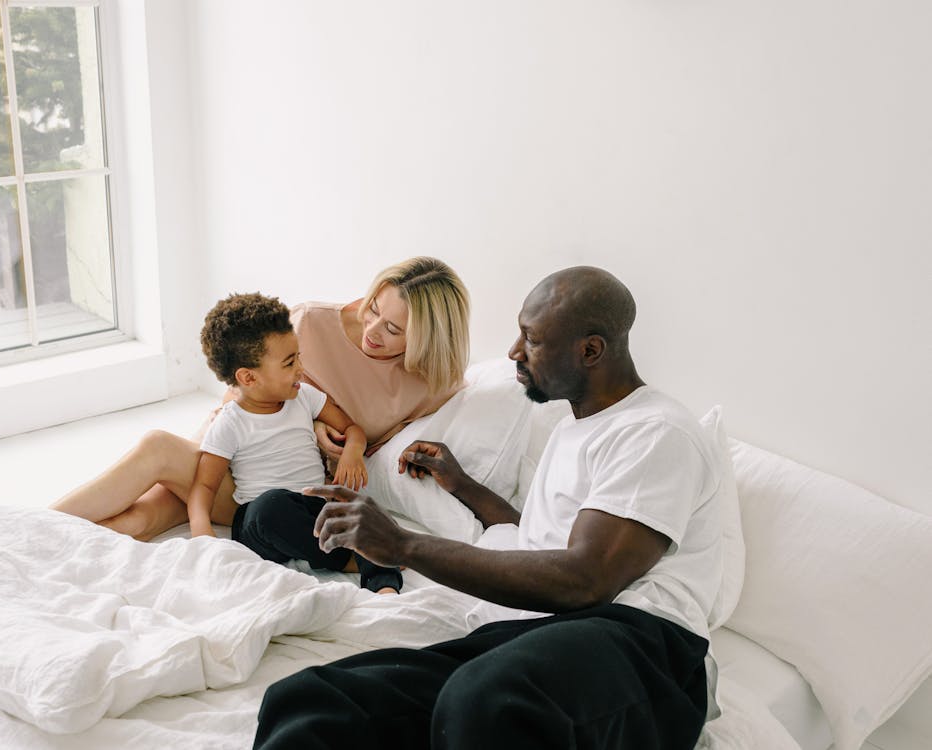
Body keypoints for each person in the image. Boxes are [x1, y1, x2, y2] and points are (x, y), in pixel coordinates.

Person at [253, 266, 726, 750]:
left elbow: (587, 579)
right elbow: (536, 544)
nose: (513, 353)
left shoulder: (655, 431)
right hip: (539, 631)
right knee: (312, 701)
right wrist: (463, 485)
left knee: (482, 702)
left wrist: (402, 546)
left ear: (590, 350)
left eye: (532, 339)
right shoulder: (572, 429)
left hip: (644, 646)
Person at [50, 257, 470, 544]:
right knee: (141, 519)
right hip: (234, 450)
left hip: (282, 489)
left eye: (393, 330)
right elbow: (241, 393)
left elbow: (377, 447)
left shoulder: (431, 386)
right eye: (374, 307)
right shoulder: (310, 321)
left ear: (428, 338)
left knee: (157, 449)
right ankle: (36, 535)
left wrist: (338, 440)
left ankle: (32, 527)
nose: (372, 329)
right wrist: (311, 423)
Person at [190, 292, 401, 593]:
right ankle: (347, 560)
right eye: (289, 363)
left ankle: (384, 586)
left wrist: (353, 452)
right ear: (249, 378)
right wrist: (201, 532)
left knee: (364, 515)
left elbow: (351, 428)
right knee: (271, 507)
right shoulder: (230, 422)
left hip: (313, 510)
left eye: (298, 356)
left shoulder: (305, 396)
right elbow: (204, 486)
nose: (301, 369)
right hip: (261, 520)